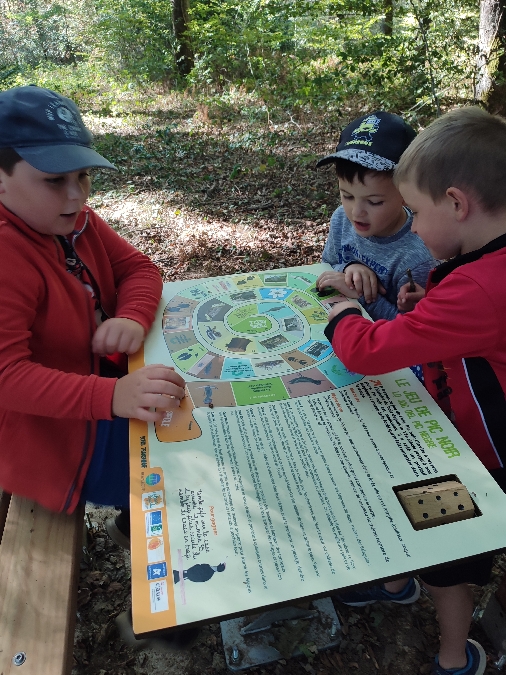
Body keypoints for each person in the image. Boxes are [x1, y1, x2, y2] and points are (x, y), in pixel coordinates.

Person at [324, 106, 506, 675]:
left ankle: (455, 657)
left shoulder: (479, 286)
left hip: (484, 458)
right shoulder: (485, 264)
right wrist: (423, 310)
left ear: (456, 204)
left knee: (449, 551)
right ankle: (400, 583)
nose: (417, 229)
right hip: (461, 429)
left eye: (420, 211)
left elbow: (365, 351)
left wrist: (344, 309)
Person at [0, 86, 185, 542]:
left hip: (101, 387)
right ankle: (158, 597)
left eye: (82, 176)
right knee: (184, 475)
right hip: (52, 439)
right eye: (54, 179)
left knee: (193, 424)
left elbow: (139, 269)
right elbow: (7, 377)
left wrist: (131, 317)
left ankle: (133, 524)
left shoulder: (76, 220)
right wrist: (110, 397)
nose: (77, 193)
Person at [316, 111, 436, 321]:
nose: (356, 212)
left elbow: (411, 332)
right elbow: (325, 268)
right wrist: (348, 269)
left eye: (374, 202)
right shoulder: (341, 219)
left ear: (406, 195)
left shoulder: (417, 257)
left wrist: (361, 295)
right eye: (347, 196)